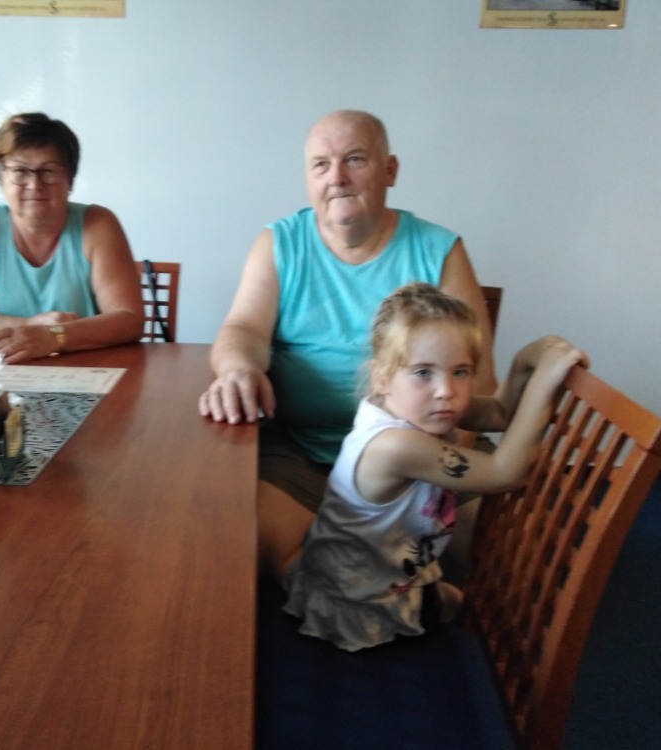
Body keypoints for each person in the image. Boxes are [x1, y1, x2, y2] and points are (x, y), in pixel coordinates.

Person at [198, 109, 496, 577]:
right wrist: (238, 369)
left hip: (422, 451)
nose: (336, 177)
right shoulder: (278, 243)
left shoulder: (440, 249)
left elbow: (479, 379)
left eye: (354, 159)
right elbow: (243, 330)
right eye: (321, 165)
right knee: (252, 541)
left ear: (390, 170)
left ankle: (386, 580)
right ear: (308, 178)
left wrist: (433, 474)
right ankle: (377, 587)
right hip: (305, 451)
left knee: (505, 549)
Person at [282, 283, 588, 651]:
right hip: (360, 601)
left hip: (379, 571)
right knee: (466, 608)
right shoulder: (395, 445)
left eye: (460, 371)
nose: (446, 390)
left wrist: (525, 361)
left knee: (464, 599)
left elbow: (499, 412)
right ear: (382, 378)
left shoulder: (414, 405)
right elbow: (506, 473)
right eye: (423, 372)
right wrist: (544, 383)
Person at [0, 112, 144, 363]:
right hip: (2, 373)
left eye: (48, 171)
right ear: (1, 179)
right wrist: (28, 326)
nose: (34, 184)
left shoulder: (97, 224)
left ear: (70, 180)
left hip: (86, 371)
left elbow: (130, 320)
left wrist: (55, 336)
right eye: (20, 171)